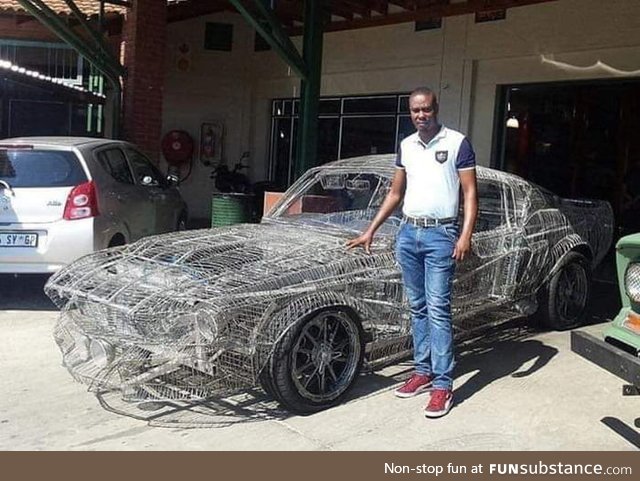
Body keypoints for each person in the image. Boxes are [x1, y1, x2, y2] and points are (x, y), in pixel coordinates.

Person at [346, 87, 478, 418]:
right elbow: (394, 193)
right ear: (410, 112)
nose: (422, 115)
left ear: (437, 108)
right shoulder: (406, 146)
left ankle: (443, 385)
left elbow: (470, 193)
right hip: (408, 233)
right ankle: (422, 371)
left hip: (441, 234)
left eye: (427, 109)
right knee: (417, 307)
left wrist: (465, 236)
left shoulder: (457, 142)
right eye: (416, 111)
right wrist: (370, 230)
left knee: (437, 310)